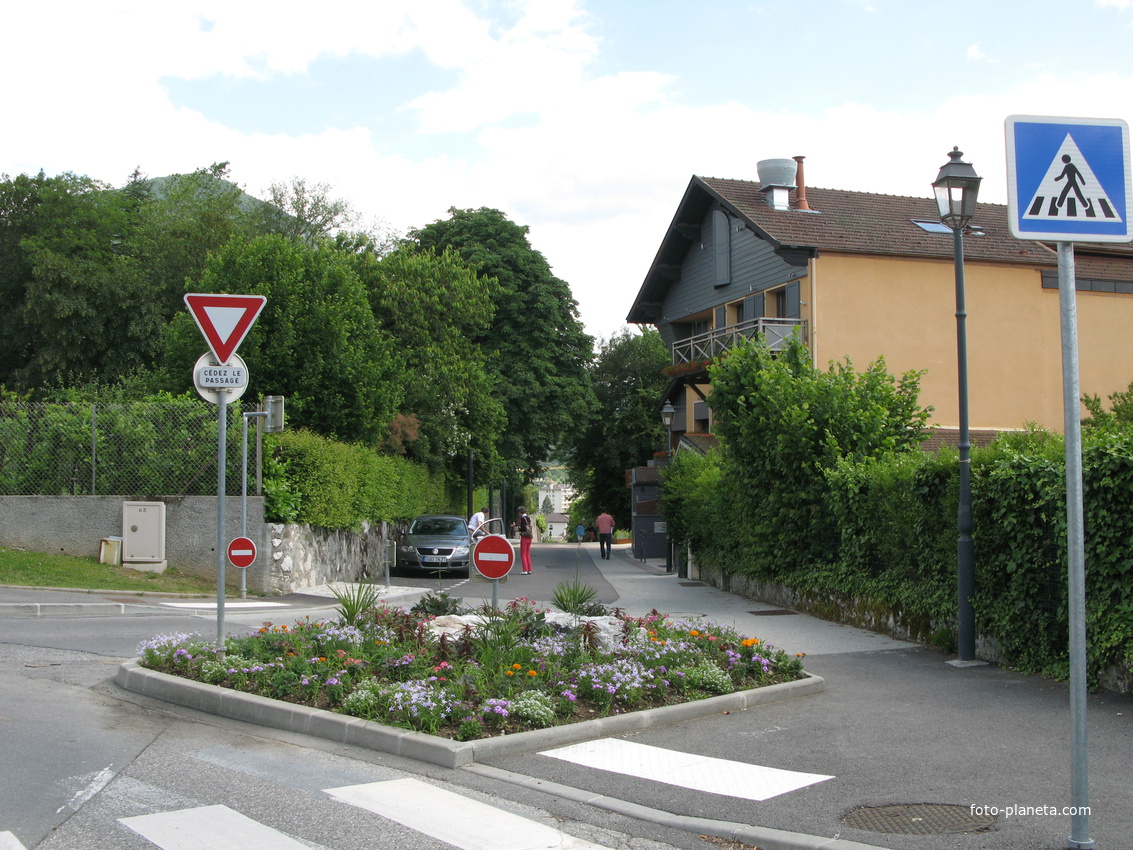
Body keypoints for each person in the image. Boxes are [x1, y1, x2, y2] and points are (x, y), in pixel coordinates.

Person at [517, 506, 534, 574]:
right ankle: (529, 569)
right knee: (527, 554)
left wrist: (518, 529)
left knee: (523, 554)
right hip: (529, 536)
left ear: (520, 512)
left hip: (524, 537)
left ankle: (525, 570)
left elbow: (523, 528)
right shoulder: (528, 518)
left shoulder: (522, 518)